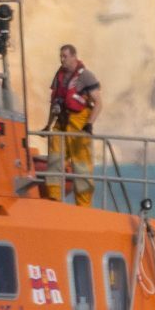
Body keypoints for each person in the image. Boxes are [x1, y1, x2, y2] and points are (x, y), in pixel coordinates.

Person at [47, 44, 102, 205]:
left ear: (74, 56)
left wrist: (89, 124)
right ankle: (54, 198)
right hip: (61, 122)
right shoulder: (59, 76)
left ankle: (83, 204)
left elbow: (98, 102)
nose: (62, 59)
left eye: (65, 56)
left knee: (81, 165)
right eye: (61, 56)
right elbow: (54, 101)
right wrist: (48, 124)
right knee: (55, 159)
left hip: (79, 124)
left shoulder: (86, 76)